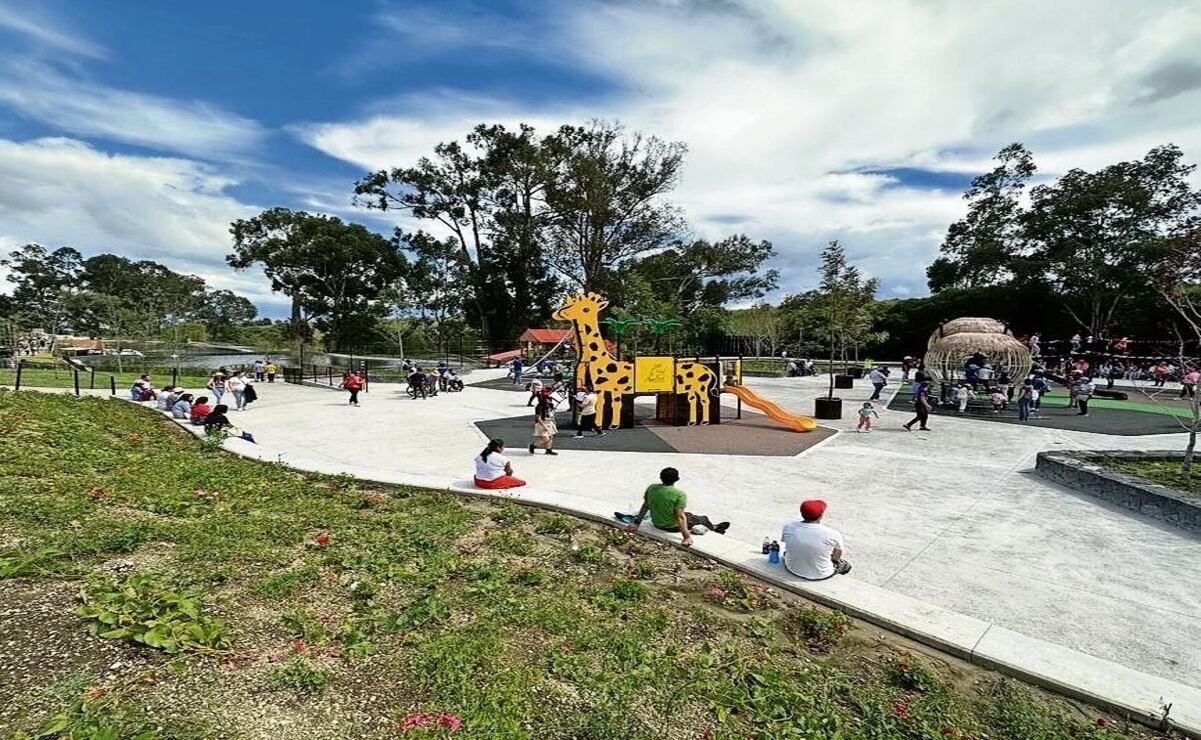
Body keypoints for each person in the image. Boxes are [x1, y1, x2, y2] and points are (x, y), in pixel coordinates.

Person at [623, 467, 729, 546]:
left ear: (661, 477)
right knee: (703, 518)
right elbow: (680, 517)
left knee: (690, 515)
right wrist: (686, 537)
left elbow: (645, 506)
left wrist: (636, 523)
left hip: (657, 523)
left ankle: (712, 526)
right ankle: (714, 528)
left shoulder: (652, 488)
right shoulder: (679, 494)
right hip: (672, 527)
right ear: (676, 479)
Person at [780, 500, 851, 580]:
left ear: (802, 513)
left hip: (792, 569)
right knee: (846, 565)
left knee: (787, 552)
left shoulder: (788, 527)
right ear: (821, 516)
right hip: (821, 574)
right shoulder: (833, 534)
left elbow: (788, 543)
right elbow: (836, 557)